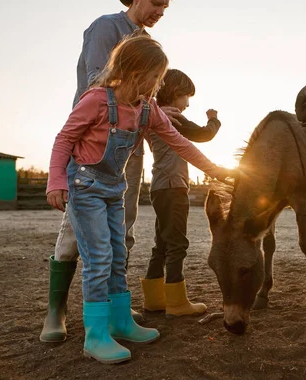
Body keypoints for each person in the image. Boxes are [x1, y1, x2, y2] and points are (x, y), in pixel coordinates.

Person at [46, 35, 231, 364]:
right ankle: (96, 335)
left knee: (118, 254)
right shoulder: (96, 100)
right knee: (99, 258)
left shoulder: (147, 109)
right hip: (85, 187)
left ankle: (120, 321)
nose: (159, 84)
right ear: (136, 73)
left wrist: (214, 169)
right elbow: (64, 139)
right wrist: (56, 179)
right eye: (157, 77)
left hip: (114, 189)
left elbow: (179, 142)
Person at [40, 0, 182, 343]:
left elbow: (145, 95)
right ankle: (56, 311)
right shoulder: (107, 27)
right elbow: (96, 83)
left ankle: (115, 307)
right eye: (156, 2)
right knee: (77, 234)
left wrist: (154, 114)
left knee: (123, 231)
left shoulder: (148, 44)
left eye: (166, 7)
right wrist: (140, 109)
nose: (160, 12)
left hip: (127, 150)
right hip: (91, 151)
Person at [140, 69, 221, 316]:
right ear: (175, 93)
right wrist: (214, 119)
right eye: (187, 97)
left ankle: (154, 300)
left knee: (162, 243)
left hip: (159, 187)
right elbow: (203, 135)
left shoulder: (152, 115)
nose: (187, 104)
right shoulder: (171, 117)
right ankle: (176, 302)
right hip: (174, 186)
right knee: (177, 244)